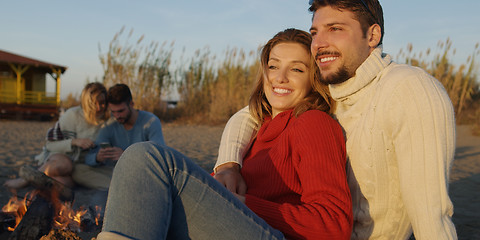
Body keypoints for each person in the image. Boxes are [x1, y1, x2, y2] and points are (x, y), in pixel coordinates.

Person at [214, 1, 458, 239]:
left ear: (372, 35)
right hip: (291, 227)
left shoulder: (407, 87)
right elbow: (250, 113)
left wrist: (239, 204)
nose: (318, 43)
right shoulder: (332, 90)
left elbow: (431, 214)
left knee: (174, 167)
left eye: (336, 29)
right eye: (315, 32)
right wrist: (228, 163)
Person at [96, 28, 352, 240]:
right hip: (241, 224)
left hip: (274, 233)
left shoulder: (313, 122)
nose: (280, 78)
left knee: (146, 158)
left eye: (297, 69)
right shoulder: (259, 127)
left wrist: (243, 203)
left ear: (313, 78)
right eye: (273, 67)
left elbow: (333, 225)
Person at [3, 82, 109, 189]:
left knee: (63, 182)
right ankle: (25, 180)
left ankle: (38, 181)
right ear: (86, 103)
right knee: (66, 165)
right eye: (94, 104)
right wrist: (75, 142)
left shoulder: (108, 120)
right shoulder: (72, 115)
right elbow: (50, 145)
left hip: (79, 167)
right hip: (59, 158)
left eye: (102, 103)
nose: (99, 107)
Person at [72, 83, 166, 190]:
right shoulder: (110, 125)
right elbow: (89, 158)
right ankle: (122, 189)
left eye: (121, 111)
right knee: (78, 170)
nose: (117, 116)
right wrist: (97, 158)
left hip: (142, 171)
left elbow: (160, 157)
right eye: (113, 112)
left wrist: (126, 156)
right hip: (116, 174)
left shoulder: (151, 122)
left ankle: (125, 190)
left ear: (131, 104)